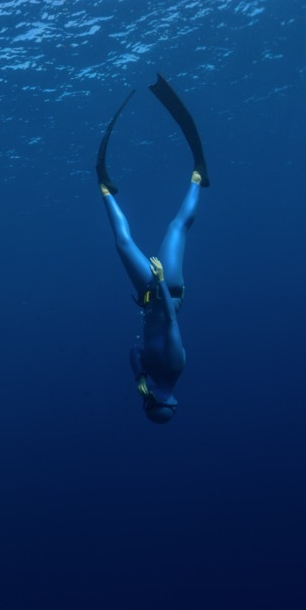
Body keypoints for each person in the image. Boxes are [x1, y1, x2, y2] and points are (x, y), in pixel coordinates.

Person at [96, 74, 209, 424]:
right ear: (163, 403)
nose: (144, 402)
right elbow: (172, 322)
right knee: (175, 228)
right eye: (149, 405)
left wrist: (138, 376)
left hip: (149, 295)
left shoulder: (150, 378)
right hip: (166, 289)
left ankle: (104, 187)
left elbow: (134, 350)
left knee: (124, 243)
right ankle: (199, 175)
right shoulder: (175, 367)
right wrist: (159, 281)